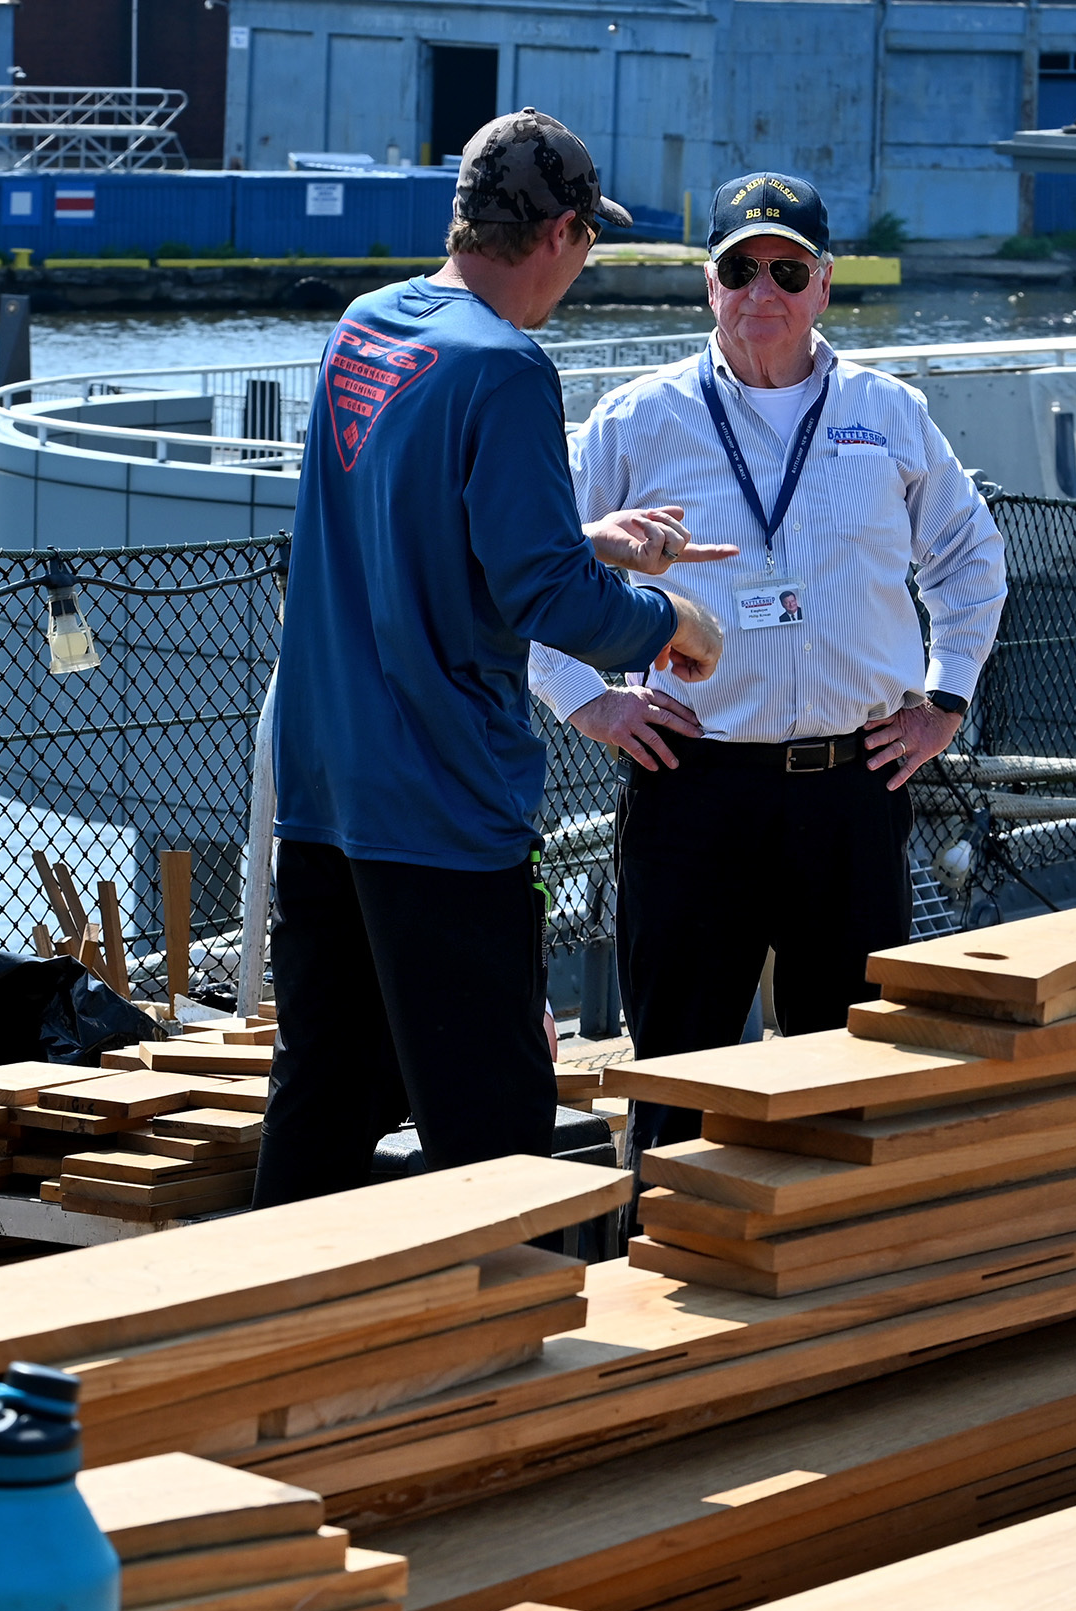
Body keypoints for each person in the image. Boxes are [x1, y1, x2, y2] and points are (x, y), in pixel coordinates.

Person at [254, 109, 729, 1205]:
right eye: (590, 240)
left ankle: (264, 1335)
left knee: (323, 1094)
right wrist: (675, 622)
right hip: (442, 809)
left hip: (325, 792)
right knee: (492, 1128)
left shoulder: (366, 329)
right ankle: (508, 1362)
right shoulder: (508, 369)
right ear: (563, 231)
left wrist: (589, 537)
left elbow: (412, 528)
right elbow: (548, 599)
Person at [531, 171, 1007, 1151]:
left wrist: (947, 697)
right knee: (679, 1072)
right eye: (740, 268)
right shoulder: (637, 418)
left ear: (824, 285)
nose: (764, 292)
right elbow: (542, 569)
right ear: (709, 284)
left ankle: (830, 1282)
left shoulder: (889, 411)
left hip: (851, 787)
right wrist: (590, 702)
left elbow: (969, 555)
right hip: (693, 786)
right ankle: (663, 1279)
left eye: (787, 270)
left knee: (850, 1072)